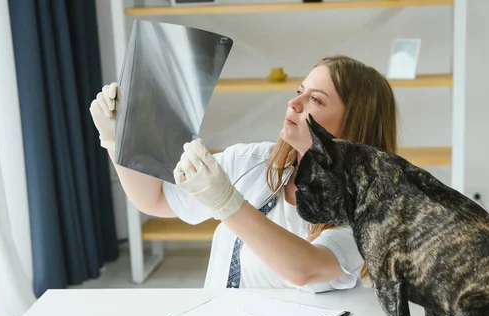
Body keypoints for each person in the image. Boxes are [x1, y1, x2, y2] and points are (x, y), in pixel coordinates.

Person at [89, 55, 398, 293]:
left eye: (315, 100)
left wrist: (227, 203)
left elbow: (306, 267)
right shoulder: (251, 161)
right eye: (300, 91)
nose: (294, 102)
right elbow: (154, 200)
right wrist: (117, 139)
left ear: (353, 128)